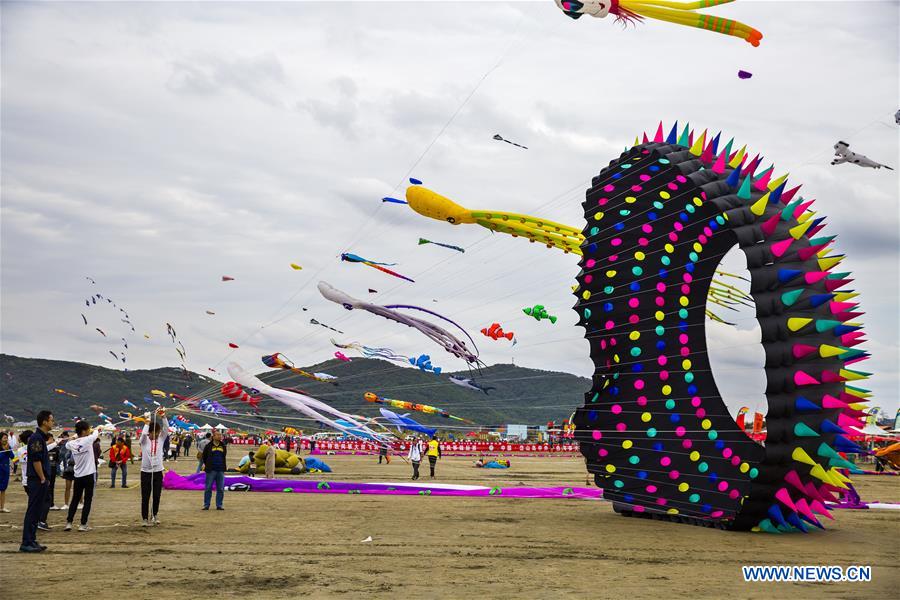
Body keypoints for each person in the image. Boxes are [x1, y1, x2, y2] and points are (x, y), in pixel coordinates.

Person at [21, 410, 54, 552]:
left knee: (37, 512)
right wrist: (42, 478)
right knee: (33, 511)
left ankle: (32, 540)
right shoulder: (36, 438)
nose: (53, 422)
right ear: (45, 422)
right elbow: (36, 460)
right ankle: (27, 542)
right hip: (37, 480)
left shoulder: (40, 437)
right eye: (51, 420)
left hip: (39, 480)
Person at [64, 420, 101, 532]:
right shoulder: (88, 439)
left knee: (75, 499)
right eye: (88, 429)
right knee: (87, 500)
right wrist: (98, 428)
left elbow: (67, 444)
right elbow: (96, 433)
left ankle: (69, 523)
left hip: (78, 476)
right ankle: (83, 524)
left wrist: (75, 436)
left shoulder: (71, 444)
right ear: (84, 431)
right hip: (89, 475)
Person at [140, 414, 169, 527]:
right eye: (154, 433)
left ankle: (155, 515)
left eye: (157, 432)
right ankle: (144, 518)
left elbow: (166, 429)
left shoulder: (160, 439)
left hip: (157, 472)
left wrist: (163, 417)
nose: (156, 435)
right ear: (150, 432)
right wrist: (147, 423)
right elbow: (143, 434)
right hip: (145, 472)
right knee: (145, 496)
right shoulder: (144, 441)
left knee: (156, 495)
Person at [201, 430, 227, 511]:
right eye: (218, 435)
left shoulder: (223, 446)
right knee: (208, 488)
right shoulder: (208, 446)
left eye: (220, 435)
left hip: (220, 470)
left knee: (220, 489)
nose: (220, 436)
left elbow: (224, 456)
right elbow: (204, 456)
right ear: (213, 436)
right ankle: (206, 505)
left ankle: (219, 505)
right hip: (211, 470)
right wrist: (208, 465)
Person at [58, 432, 75, 510]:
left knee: (78, 488)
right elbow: (65, 457)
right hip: (69, 469)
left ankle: (80, 503)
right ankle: (66, 504)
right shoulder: (68, 448)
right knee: (67, 487)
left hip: (77, 470)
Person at [0, 432, 12, 512]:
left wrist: (8, 450)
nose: (6, 439)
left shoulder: (8, 447)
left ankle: (2, 507)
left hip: (5, 470)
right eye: (4, 438)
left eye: (7, 438)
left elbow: (12, 456)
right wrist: (4, 450)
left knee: (3, 489)